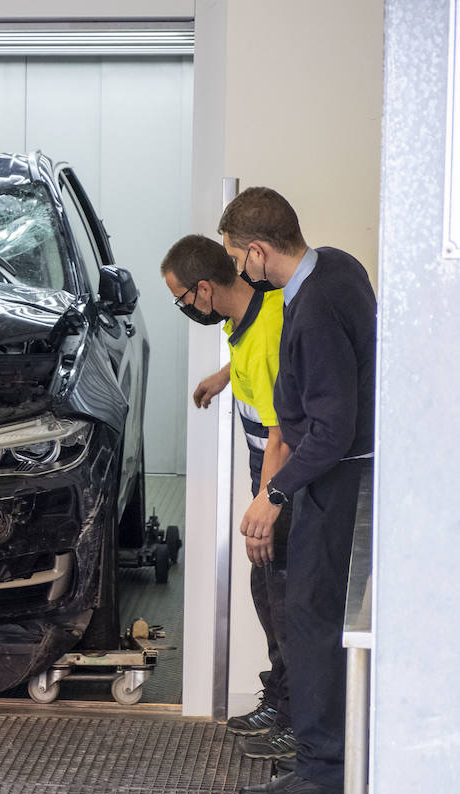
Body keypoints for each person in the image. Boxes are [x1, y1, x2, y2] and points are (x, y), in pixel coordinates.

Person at [219, 188, 375, 794]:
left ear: (258, 251)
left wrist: (272, 493)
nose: (238, 271)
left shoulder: (310, 310)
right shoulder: (337, 266)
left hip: (334, 476)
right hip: (344, 471)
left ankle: (323, 768)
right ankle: (330, 754)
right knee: (319, 612)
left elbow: (333, 428)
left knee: (309, 614)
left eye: (237, 258)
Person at [160, 235, 296, 764]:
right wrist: (221, 379)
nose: (183, 307)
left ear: (204, 288)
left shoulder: (265, 334)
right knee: (266, 589)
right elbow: (251, 368)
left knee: (279, 597)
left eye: (181, 298)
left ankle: (293, 716)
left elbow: (281, 432)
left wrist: (267, 504)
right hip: (270, 471)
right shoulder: (246, 315)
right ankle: (280, 698)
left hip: (280, 475)